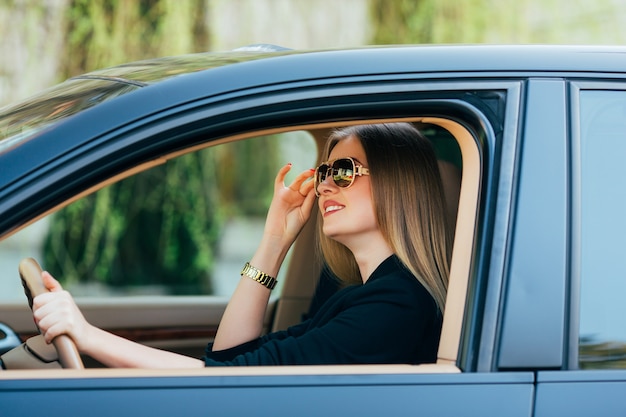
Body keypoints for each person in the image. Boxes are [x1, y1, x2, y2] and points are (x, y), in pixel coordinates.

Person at [32, 122, 452, 368]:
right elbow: (233, 357)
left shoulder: (396, 306)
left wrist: (87, 336)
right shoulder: (364, 295)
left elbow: (228, 380)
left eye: (343, 171)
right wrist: (274, 240)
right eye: (324, 170)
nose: (324, 184)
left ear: (400, 185)